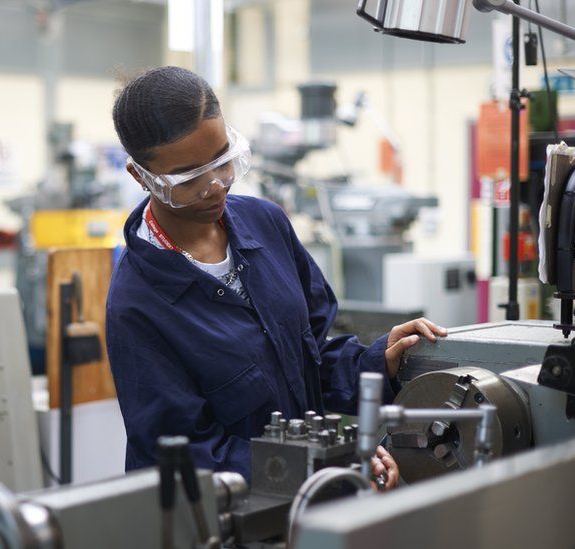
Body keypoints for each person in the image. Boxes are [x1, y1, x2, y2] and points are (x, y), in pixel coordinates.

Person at [105, 66, 446, 485]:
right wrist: (318, 465)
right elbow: (187, 455)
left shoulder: (265, 225)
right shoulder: (137, 304)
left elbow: (312, 360)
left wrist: (378, 362)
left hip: (303, 499)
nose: (215, 186)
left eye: (223, 161)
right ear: (141, 177)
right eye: (189, 179)